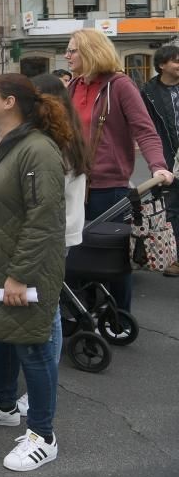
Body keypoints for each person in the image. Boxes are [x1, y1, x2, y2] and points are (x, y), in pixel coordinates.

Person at [0, 73, 70, 472]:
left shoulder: (38, 150)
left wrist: (20, 274)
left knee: (33, 348)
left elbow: (44, 220)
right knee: (0, 337)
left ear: (9, 102)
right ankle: (4, 405)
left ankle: (43, 435)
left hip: (21, 268)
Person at [66, 29, 173, 311]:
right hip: (74, 185)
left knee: (113, 260)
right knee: (77, 255)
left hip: (109, 189)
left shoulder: (120, 85)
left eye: (72, 50)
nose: (68, 55)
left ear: (90, 51)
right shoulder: (73, 87)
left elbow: (146, 132)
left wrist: (158, 167)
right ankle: (84, 313)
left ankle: (118, 315)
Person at [140, 43, 179, 276]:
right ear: (162, 65)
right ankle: (174, 258)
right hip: (166, 158)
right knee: (171, 209)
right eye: (176, 61)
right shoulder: (147, 93)